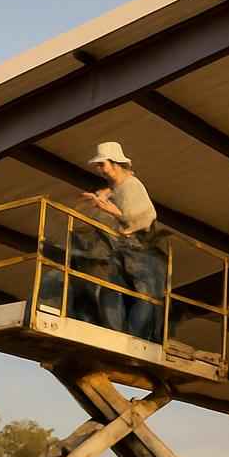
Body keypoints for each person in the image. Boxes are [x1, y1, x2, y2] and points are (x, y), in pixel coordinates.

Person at [78, 142, 167, 342]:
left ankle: (132, 337)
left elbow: (142, 217)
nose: (100, 169)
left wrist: (110, 209)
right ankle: (117, 333)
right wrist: (101, 197)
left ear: (115, 164)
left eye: (102, 164)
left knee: (144, 295)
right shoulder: (118, 186)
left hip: (141, 248)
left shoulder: (132, 186)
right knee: (110, 287)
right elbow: (114, 193)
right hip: (123, 248)